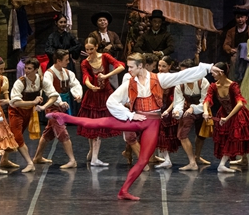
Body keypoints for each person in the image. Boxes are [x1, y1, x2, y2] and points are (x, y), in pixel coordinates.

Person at [45, 53, 216, 200]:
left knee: (143, 160)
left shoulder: (159, 79)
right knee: (99, 122)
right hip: (136, 119)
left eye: (131, 67)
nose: (128, 70)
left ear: (141, 66)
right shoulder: (129, 83)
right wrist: (130, 115)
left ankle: (124, 191)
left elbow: (184, 75)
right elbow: (111, 101)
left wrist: (208, 68)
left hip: (151, 123)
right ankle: (62, 117)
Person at [33, 49, 83, 169]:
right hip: (53, 108)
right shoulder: (49, 74)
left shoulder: (68, 73)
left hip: (62, 108)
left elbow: (75, 84)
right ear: (58, 61)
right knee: (62, 132)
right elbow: (51, 91)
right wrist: (60, 102)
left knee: (48, 133)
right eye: (66, 60)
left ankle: (37, 157)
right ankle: (72, 160)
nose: (68, 62)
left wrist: (77, 94)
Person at [204, 62, 249, 173]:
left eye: (214, 72)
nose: (212, 74)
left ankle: (222, 165)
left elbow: (240, 103)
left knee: (235, 137)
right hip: (224, 113)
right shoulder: (214, 86)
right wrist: (205, 111)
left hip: (237, 114)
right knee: (229, 138)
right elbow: (207, 99)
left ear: (221, 73)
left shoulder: (233, 85)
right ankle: (244, 160)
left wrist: (227, 118)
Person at [80, 37, 124, 167]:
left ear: (96, 47)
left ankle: (93, 155)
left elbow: (120, 66)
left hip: (106, 95)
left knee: (98, 126)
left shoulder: (104, 57)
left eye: (91, 49)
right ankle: (94, 157)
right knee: (93, 126)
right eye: (87, 49)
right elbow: (86, 77)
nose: (89, 52)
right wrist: (90, 86)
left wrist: (106, 76)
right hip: (93, 96)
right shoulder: (85, 62)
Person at [8, 58, 57, 173]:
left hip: (28, 112)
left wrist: (44, 107)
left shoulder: (41, 80)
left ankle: (4, 160)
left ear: (36, 70)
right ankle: (30, 163)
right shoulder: (20, 82)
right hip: (16, 111)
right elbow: (15, 102)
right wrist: (33, 102)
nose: (26, 70)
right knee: (17, 137)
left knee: (13, 136)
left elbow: (54, 95)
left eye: (29, 68)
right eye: (25, 68)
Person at [172, 59, 211, 170]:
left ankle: (197, 156)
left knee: (201, 135)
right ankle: (192, 162)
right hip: (188, 111)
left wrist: (193, 108)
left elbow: (205, 101)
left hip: (202, 110)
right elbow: (178, 102)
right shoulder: (180, 85)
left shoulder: (202, 82)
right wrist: (177, 111)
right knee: (182, 134)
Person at [155, 56, 180, 169]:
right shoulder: (155, 77)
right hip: (157, 109)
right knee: (159, 134)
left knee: (164, 135)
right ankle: (165, 159)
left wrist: (167, 111)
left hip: (168, 109)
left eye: (164, 66)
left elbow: (176, 98)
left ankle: (166, 159)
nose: (160, 68)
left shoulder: (173, 79)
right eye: (159, 66)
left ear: (170, 66)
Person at [222, 8, 249, 82]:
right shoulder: (231, 31)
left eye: (242, 17)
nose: (240, 19)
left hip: (248, 54)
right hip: (236, 54)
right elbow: (226, 44)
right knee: (233, 61)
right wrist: (230, 49)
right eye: (238, 17)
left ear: (246, 18)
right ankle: (233, 83)